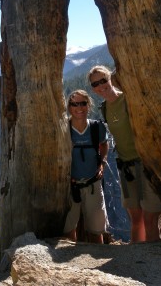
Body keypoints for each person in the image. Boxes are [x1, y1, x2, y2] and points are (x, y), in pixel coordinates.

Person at [88, 65, 161, 242]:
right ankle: (137, 259)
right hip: (126, 167)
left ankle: (153, 262)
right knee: (136, 219)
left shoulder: (129, 99)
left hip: (147, 165)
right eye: (95, 83)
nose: (101, 86)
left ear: (111, 79)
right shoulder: (105, 107)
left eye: (103, 80)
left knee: (150, 218)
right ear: (93, 89)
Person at [63, 90, 109, 244]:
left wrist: (102, 163)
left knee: (96, 231)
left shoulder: (96, 127)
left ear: (88, 105)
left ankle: (94, 266)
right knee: (69, 230)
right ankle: (73, 265)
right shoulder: (64, 129)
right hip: (70, 187)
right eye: (74, 104)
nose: (79, 108)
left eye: (83, 103)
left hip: (93, 183)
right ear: (69, 107)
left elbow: (104, 144)